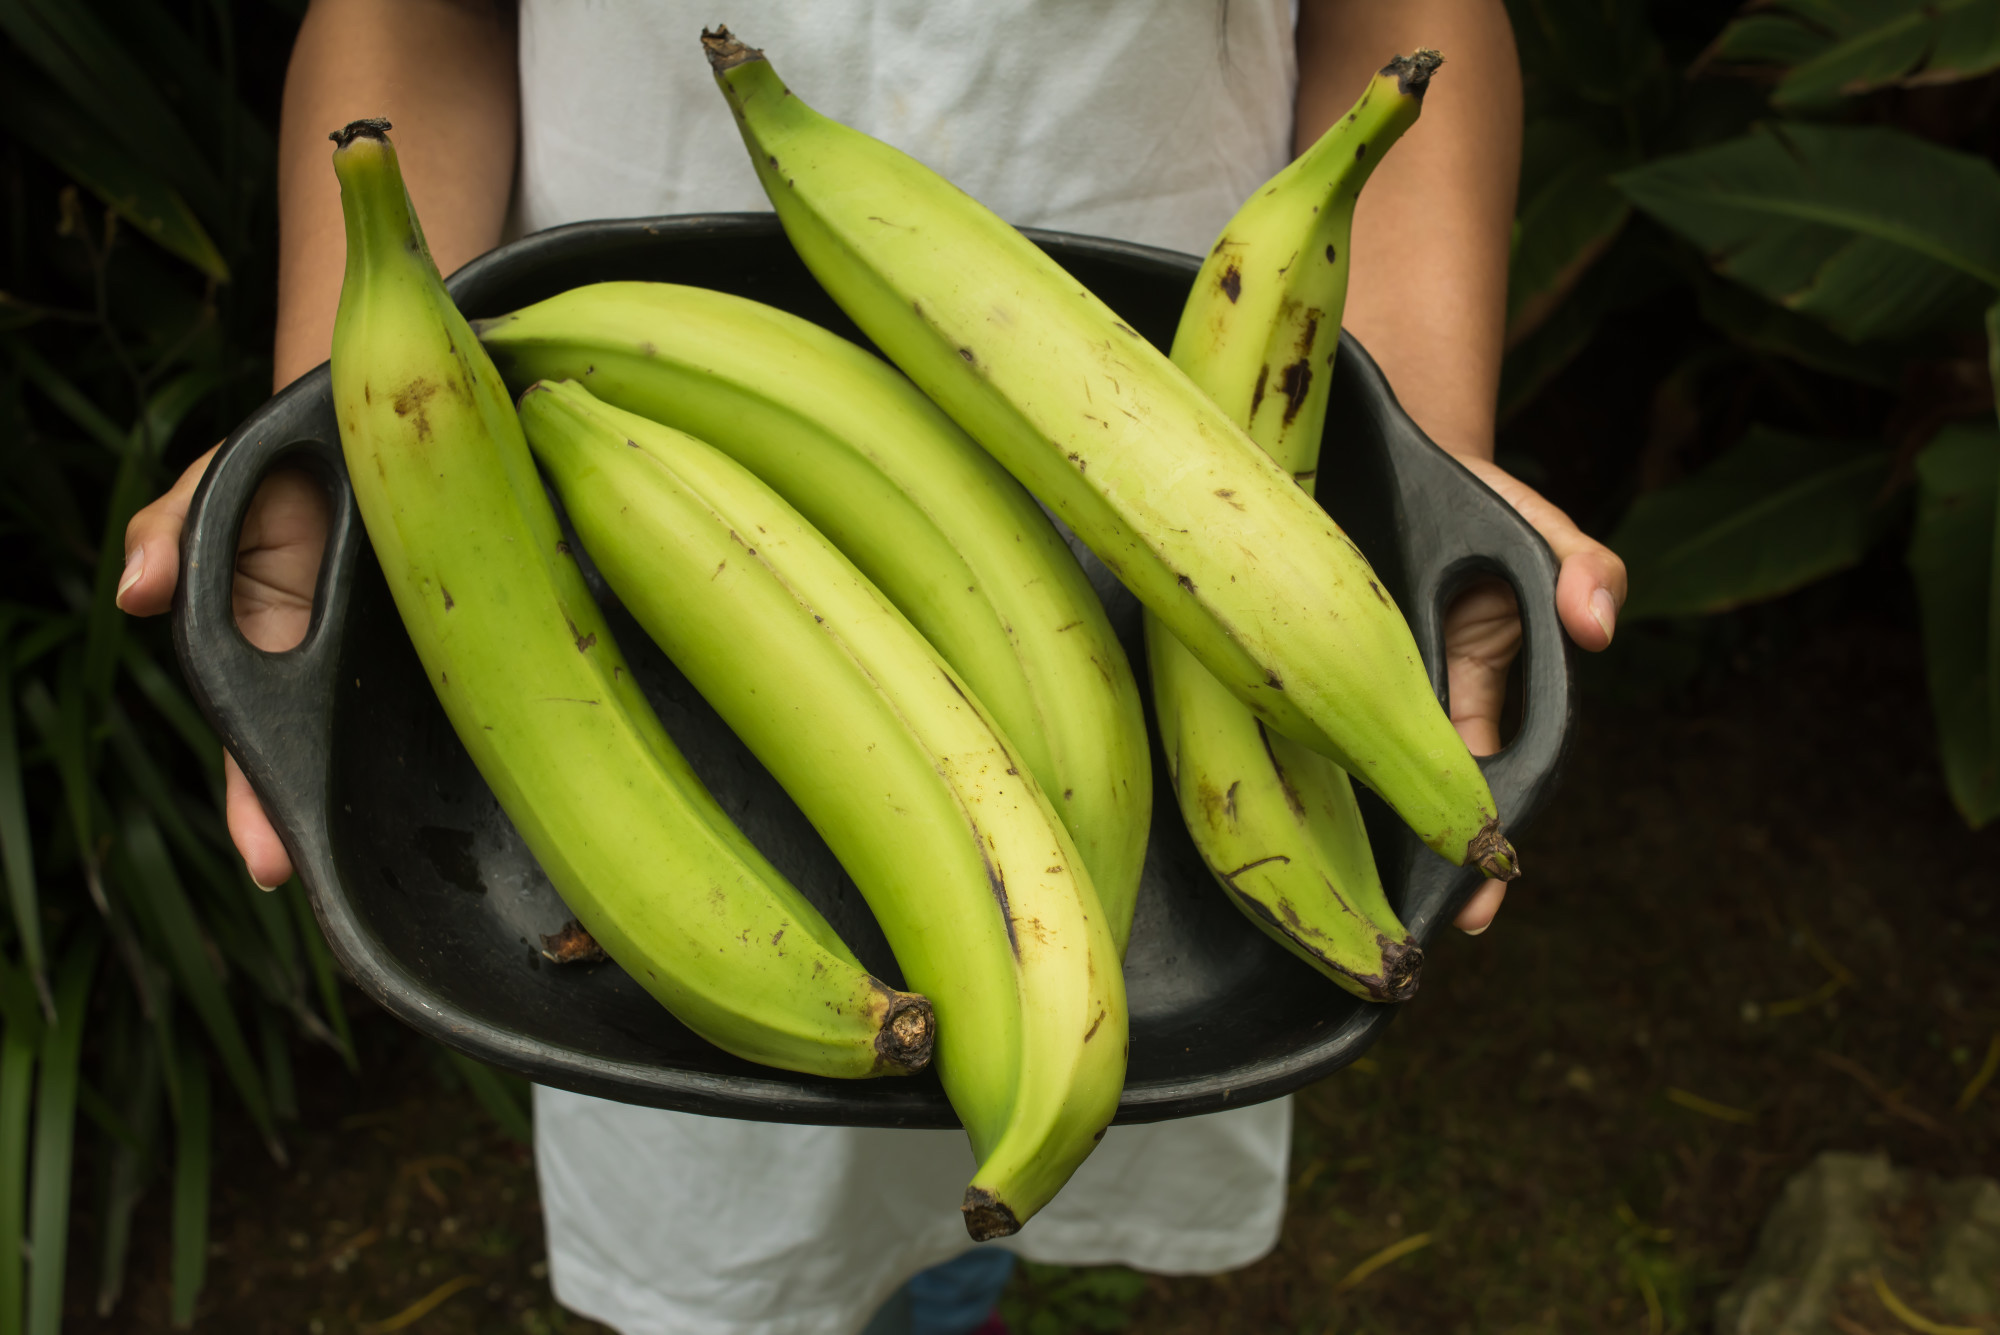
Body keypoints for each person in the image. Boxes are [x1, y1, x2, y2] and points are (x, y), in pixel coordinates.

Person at [117, 3, 1628, 1332]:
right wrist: (360, 415)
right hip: (607, 435)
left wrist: (1421, 473)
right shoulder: (602, 435)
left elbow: (1408, 17)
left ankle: (959, 1278)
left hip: (1171, 425)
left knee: (1067, 1039)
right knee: (750, 1166)